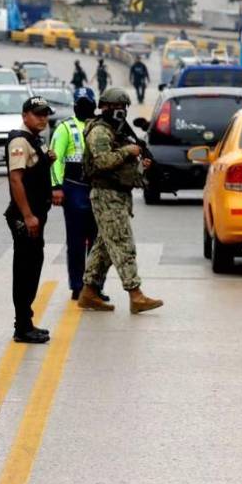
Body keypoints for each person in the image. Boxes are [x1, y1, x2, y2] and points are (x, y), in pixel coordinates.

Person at [77, 87, 163, 314]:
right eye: (116, 107)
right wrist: (128, 152)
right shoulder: (100, 132)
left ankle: (89, 292)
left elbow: (122, 163)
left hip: (119, 194)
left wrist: (139, 166)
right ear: (104, 107)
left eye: (124, 107)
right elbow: (104, 161)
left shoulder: (118, 131)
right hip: (107, 195)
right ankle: (135, 294)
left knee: (105, 246)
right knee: (123, 244)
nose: (121, 111)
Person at [5, 96, 57, 343]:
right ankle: (22, 326)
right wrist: (27, 215)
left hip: (36, 214)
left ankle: (26, 321)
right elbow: (16, 179)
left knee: (33, 265)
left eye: (45, 114)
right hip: (26, 216)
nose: (43, 118)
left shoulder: (34, 140)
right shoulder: (19, 141)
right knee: (25, 269)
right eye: (38, 114)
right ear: (25, 115)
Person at [51, 87, 108, 303]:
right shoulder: (65, 128)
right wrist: (56, 187)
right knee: (76, 242)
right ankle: (77, 286)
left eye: (87, 102)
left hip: (98, 189)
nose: (84, 106)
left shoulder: (102, 128)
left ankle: (94, 286)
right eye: (80, 102)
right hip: (74, 188)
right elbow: (55, 160)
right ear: (75, 105)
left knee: (99, 242)